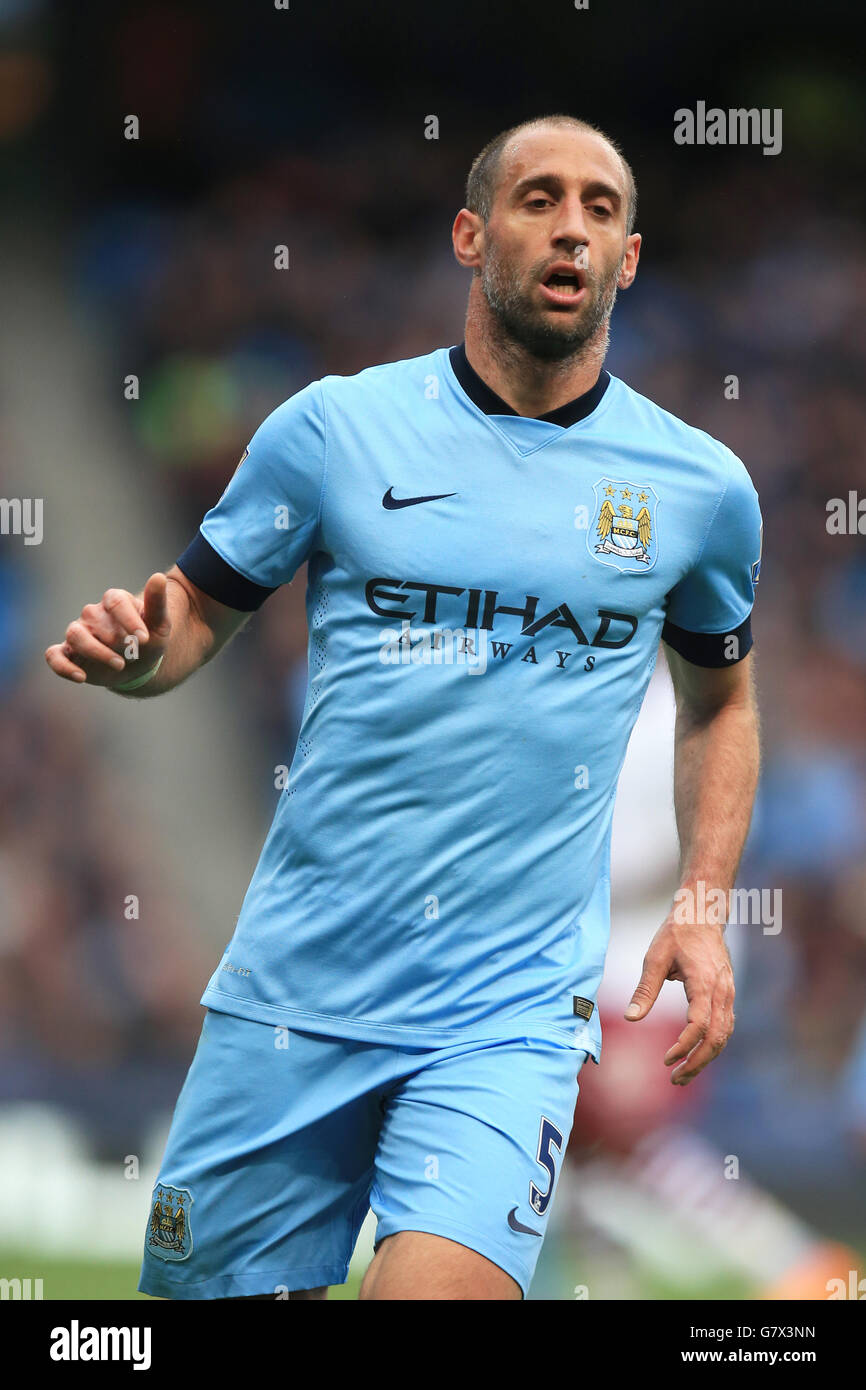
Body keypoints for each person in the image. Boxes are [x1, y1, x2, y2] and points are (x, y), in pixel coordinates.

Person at [45, 114, 762, 1301]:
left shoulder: (696, 489)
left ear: (627, 259)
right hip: (292, 998)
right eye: (538, 198)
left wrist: (702, 898)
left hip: (505, 1020)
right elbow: (192, 612)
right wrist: (135, 648)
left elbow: (721, 705)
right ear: (471, 234)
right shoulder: (333, 429)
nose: (570, 225)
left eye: (598, 207)